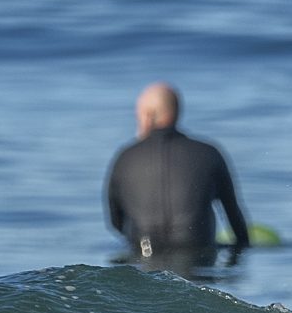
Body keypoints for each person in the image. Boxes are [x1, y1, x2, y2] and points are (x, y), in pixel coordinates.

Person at [104, 82, 249, 261]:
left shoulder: (124, 158)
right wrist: (238, 256)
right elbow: (235, 220)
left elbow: (116, 222)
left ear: (147, 116)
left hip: (142, 258)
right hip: (197, 262)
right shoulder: (209, 153)